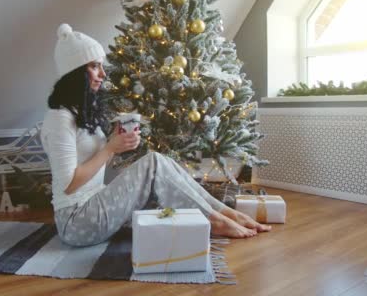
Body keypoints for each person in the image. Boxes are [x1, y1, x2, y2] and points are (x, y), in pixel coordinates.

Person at [41, 23, 271, 247]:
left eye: (101, 65)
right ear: (75, 73)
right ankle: (216, 220)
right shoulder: (59, 119)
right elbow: (69, 185)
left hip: (94, 204)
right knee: (153, 163)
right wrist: (110, 148)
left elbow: (93, 164)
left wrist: (118, 145)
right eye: (94, 66)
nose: (102, 73)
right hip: (77, 222)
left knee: (163, 163)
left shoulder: (78, 113)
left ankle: (223, 212)